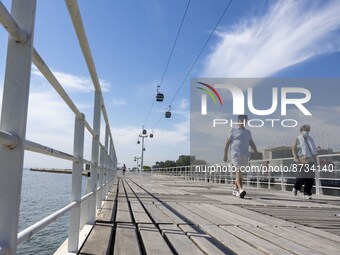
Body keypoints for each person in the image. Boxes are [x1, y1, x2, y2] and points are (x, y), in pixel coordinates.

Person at [223, 115, 258, 198]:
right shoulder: (232, 130)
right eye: (243, 121)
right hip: (235, 154)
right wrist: (225, 155)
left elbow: (251, 143)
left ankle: (236, 190)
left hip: (245, 155)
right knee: (238, 171)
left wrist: (255, 151)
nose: (245, 122)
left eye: (246, 121)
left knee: (240, 174)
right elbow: (227, 143)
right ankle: (241, 189)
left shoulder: (248, 132)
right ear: (238, 121)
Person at [292, 124, 318, 199]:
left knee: (310, 179)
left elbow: (314, 153)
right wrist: (295, 157)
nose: (306, 132)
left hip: (310, 160)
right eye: (305, 130)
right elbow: (293, 149)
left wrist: (316, 163)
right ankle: (296, 188)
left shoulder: (311, 139)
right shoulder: (297, 139)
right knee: (300, 178)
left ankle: (307, 193)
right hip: (301, 160)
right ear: (301, 131)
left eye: (307, 131)